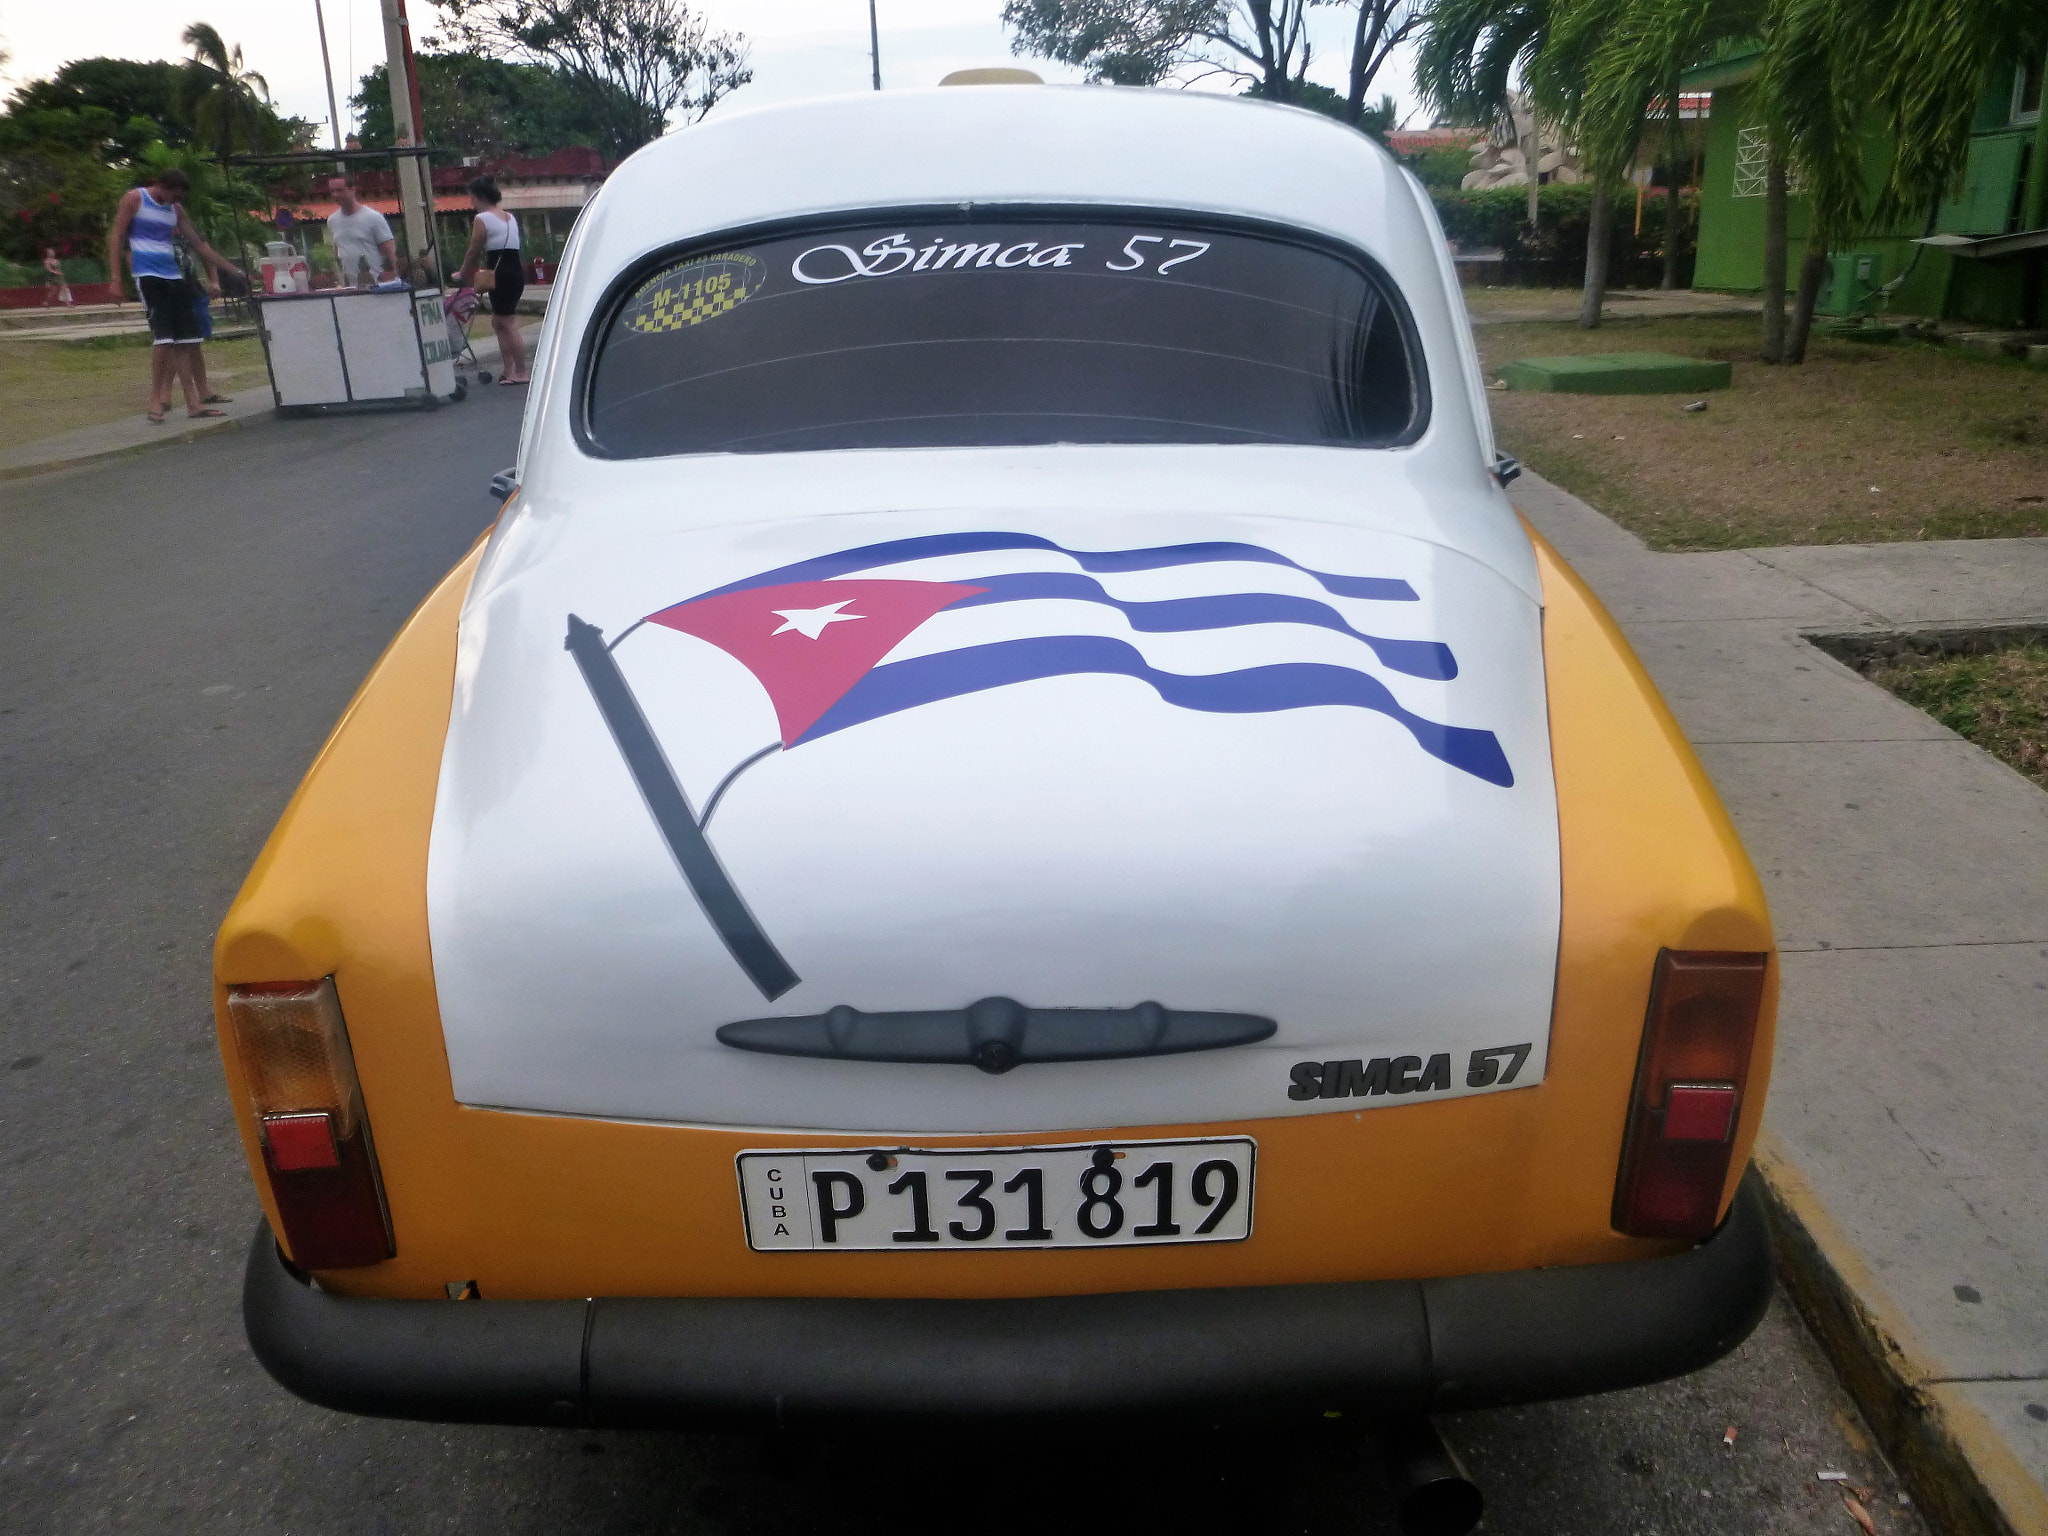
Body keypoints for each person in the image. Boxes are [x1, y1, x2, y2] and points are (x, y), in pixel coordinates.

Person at [106, 168, 243, 424]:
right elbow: (116, 236)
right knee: (164, 339)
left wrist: (233, 271)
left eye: (178, 198)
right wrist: (116, 278)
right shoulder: (136, 198)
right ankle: (155, 399)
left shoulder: (176, 209)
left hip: (174, 276)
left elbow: (200, 244)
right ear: (161, 186)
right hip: (148, 275)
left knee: (187, 340)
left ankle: (193, 402)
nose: (173, 201)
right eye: (171, 195)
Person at [452, 177, 528, 385]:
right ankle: (508, 370)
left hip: (500, 273)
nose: (471, 203)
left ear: (481, 197)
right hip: (514, 271)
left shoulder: (482, 219)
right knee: (498, 321)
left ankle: (520, 371)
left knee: (507, 321)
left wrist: (462, 273)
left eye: (473, 198)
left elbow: (473, 251)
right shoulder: (508, 217)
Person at [324, 175, 397, 288]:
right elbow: (339, 249)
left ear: (352, 190)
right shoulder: (332, 220)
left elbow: (389, 249)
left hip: (377, 284)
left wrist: (391, 277)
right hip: (351, 287)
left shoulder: (373, 217)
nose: (335, 195)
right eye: (332, 191)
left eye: (339, 190)